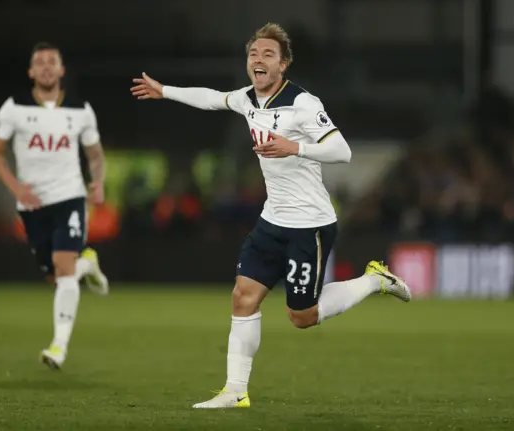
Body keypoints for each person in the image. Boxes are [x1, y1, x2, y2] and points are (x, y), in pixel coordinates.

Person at [130, 23, 411, 408]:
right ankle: (235, 391)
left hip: (309, 224)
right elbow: (212, 98)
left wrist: (294, 147)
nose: (258, 60)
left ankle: (373, 280)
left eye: (267, 55)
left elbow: (341, 151)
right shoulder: (248, 99)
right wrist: (165, 91)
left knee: (303, 317)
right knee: (243, 297)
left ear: (283, 65)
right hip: (271, 220)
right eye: (253, 54)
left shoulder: (303, 104)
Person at [0, 42, 109, 370]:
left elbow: (95, 155)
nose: (45, 67)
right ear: (31, 71)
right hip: (31, 204)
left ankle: (58, 347)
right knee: (57, 278)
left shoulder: (80, 109)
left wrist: (98, 182)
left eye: (51, 62)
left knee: (63, 267)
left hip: (69, 197)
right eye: (39, 63)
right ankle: (88, 265)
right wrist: (16, 188)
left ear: (61, 69)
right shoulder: (14, 107)